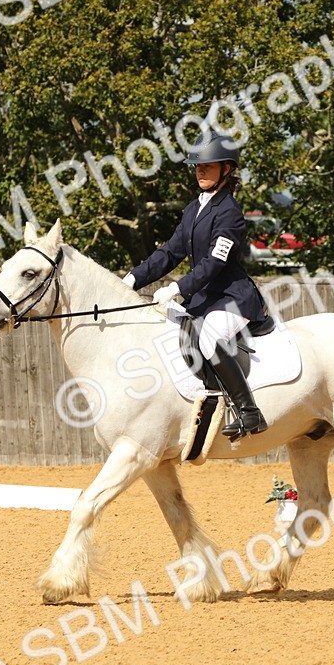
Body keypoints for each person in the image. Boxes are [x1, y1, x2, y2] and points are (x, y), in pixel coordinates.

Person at [121, 130, 269, 440]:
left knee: (210, 339)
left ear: (226, 169)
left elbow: (216, 262)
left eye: (208, 166)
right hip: (202, 298)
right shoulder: (194, 208)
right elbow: (169, 252)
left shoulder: (230, 213)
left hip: (231, 297)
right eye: (198, 166)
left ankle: (248, 412)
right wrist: (133, 278)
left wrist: (178, 288)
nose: (201, 171)